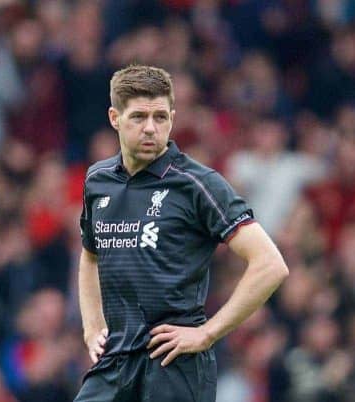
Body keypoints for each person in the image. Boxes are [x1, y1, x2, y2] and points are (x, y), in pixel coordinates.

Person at [74, 65, 289, 402]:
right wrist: (92, 327)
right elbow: (89, 257)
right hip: (115, 361)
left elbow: (270, 264)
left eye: (160, 117)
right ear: (115, 118)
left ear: (172, 118)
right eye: (138, 117)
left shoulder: (197, 184)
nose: (150, 128)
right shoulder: (98, 181)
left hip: (175, 366)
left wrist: (208, 333)